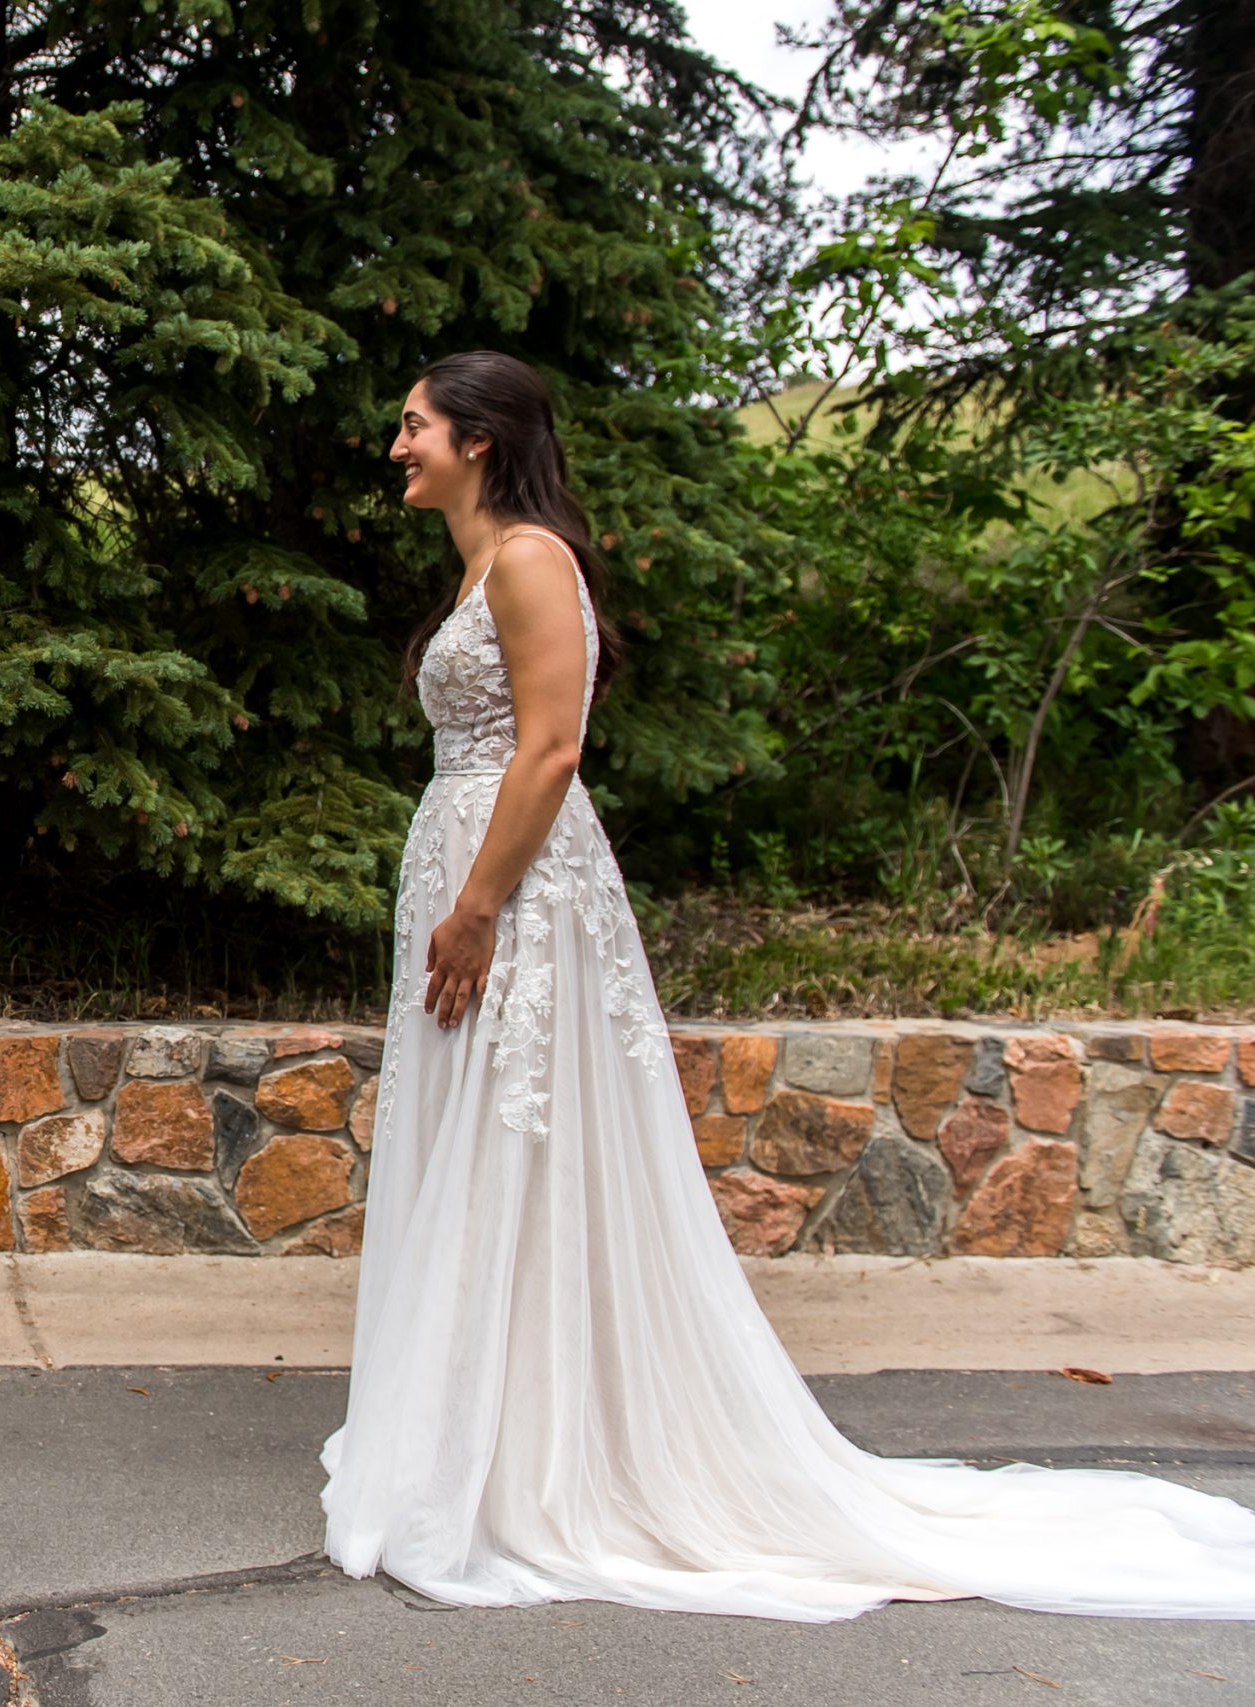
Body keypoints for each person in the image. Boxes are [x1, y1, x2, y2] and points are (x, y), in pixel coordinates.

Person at [319, 350, 1255, 1621]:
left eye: (415, 423)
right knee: (477, 1152)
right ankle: (476, 1434)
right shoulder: (481, 563)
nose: (398, 445)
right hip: (471, 863)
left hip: (518, 888)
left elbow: (550, 745)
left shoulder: (532, 557)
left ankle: (535, 1461)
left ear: (480, 440)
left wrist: (479, 904)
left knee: (520, 1141)